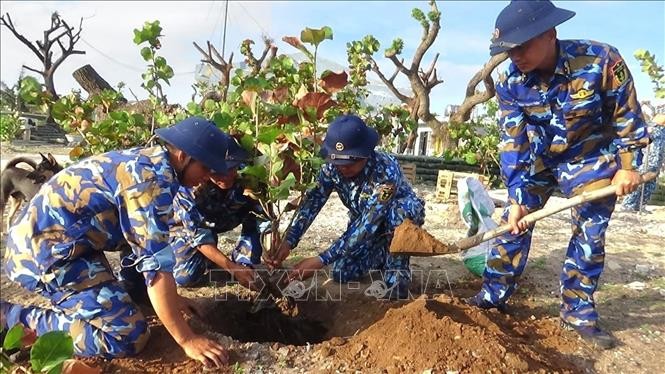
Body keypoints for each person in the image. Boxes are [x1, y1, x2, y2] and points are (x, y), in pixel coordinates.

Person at [466, 0, 650, 349]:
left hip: (588, 157)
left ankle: (578, 311)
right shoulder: (510, 82)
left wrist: (628, 169)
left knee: (590, 233)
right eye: (508, 49)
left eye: (522, 46)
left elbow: (626, 117)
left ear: (550, 33)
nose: (515, 55)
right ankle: (493, 294)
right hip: (537, 159)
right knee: (511, 225)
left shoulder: (601, 61)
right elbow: (513, 140)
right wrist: (518, 196)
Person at [1, 117, 231, 367]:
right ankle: (12, 318)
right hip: (44, 256)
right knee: (128, 336)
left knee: (141, 299)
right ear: (184, 156)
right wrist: (186, 339)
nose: (208, 177)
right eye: (206, 168)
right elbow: (155, 266)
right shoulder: (149, 183)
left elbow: (137, 242)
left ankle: (134, 297)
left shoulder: (151, 164)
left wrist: (170, 299)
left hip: (72, 247)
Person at [266, 114, 426, 299]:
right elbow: (313, 201)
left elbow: (370, 220)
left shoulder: (386, 172)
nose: (343, 168)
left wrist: (321, 260)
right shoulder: (331, 168)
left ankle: (397, 273)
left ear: (366, 153)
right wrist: (289, 241)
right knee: (342, 272)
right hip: (363, 222)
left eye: (350, 162)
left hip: (395, 219)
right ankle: (383, 253)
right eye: (338, 162)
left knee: (399, 212)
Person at [621, 113, 665, 212]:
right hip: (656, 131)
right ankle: (629, 204)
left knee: (652, 179)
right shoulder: (654, 127)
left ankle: (640, 205)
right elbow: (659, 118)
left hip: (660, 138)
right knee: (643, 175)